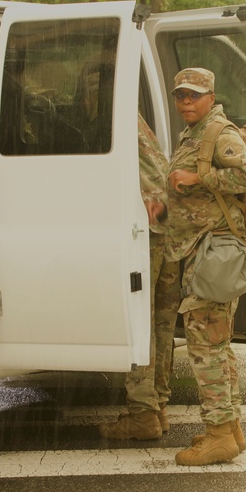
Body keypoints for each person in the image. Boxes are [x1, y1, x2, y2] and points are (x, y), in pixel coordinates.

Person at [162, 67, 246, 466]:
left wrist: (198, 177)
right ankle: (229, 428)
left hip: (214, 250)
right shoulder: (195, 132)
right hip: (201, 249)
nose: (186, 102)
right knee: (217, 344)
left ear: (210, 96)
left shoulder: (219, 133)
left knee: (206, 347)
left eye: (193, 95)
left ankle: (220, 435)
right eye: (180, 95)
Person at [98, 113, 178, 439]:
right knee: (160, 322)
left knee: (141, 320)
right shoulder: (132, 116)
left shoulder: (111, 114)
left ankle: (143, 413)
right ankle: (158, 406)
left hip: (147, 227)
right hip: (166, 223)